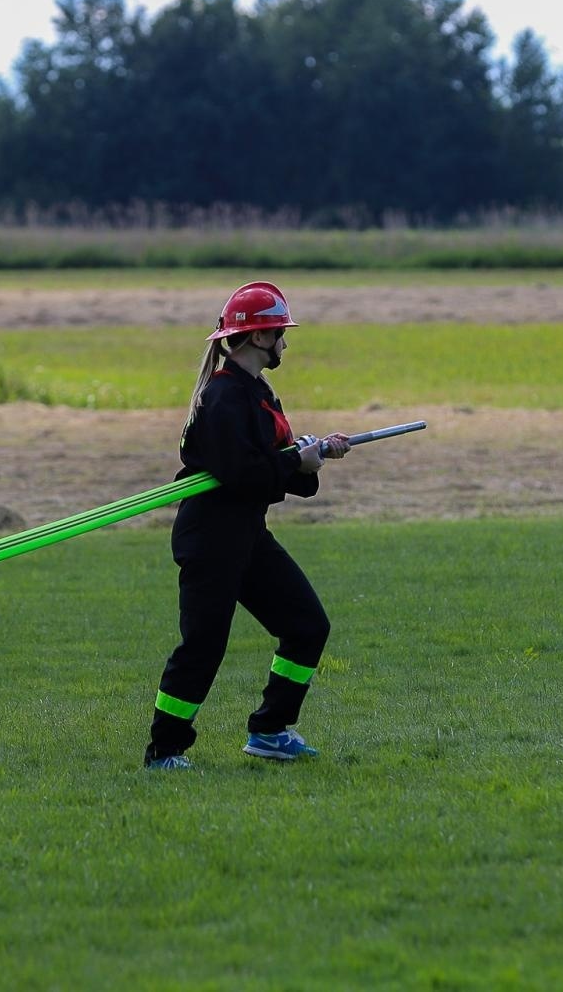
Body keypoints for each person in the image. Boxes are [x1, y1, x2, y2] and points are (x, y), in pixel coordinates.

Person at [144, 281, 351, 770]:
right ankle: (165, 751)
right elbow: (241, 475)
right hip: (211, 539)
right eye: (280, 333)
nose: (285, 342)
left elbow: (270, 468)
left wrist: (313, 457)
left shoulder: (257, 394)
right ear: (259, 338)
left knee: (306, 626)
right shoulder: (224, 398)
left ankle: (270, 730)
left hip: (247, 534)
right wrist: (295, 465)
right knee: (203, 645)